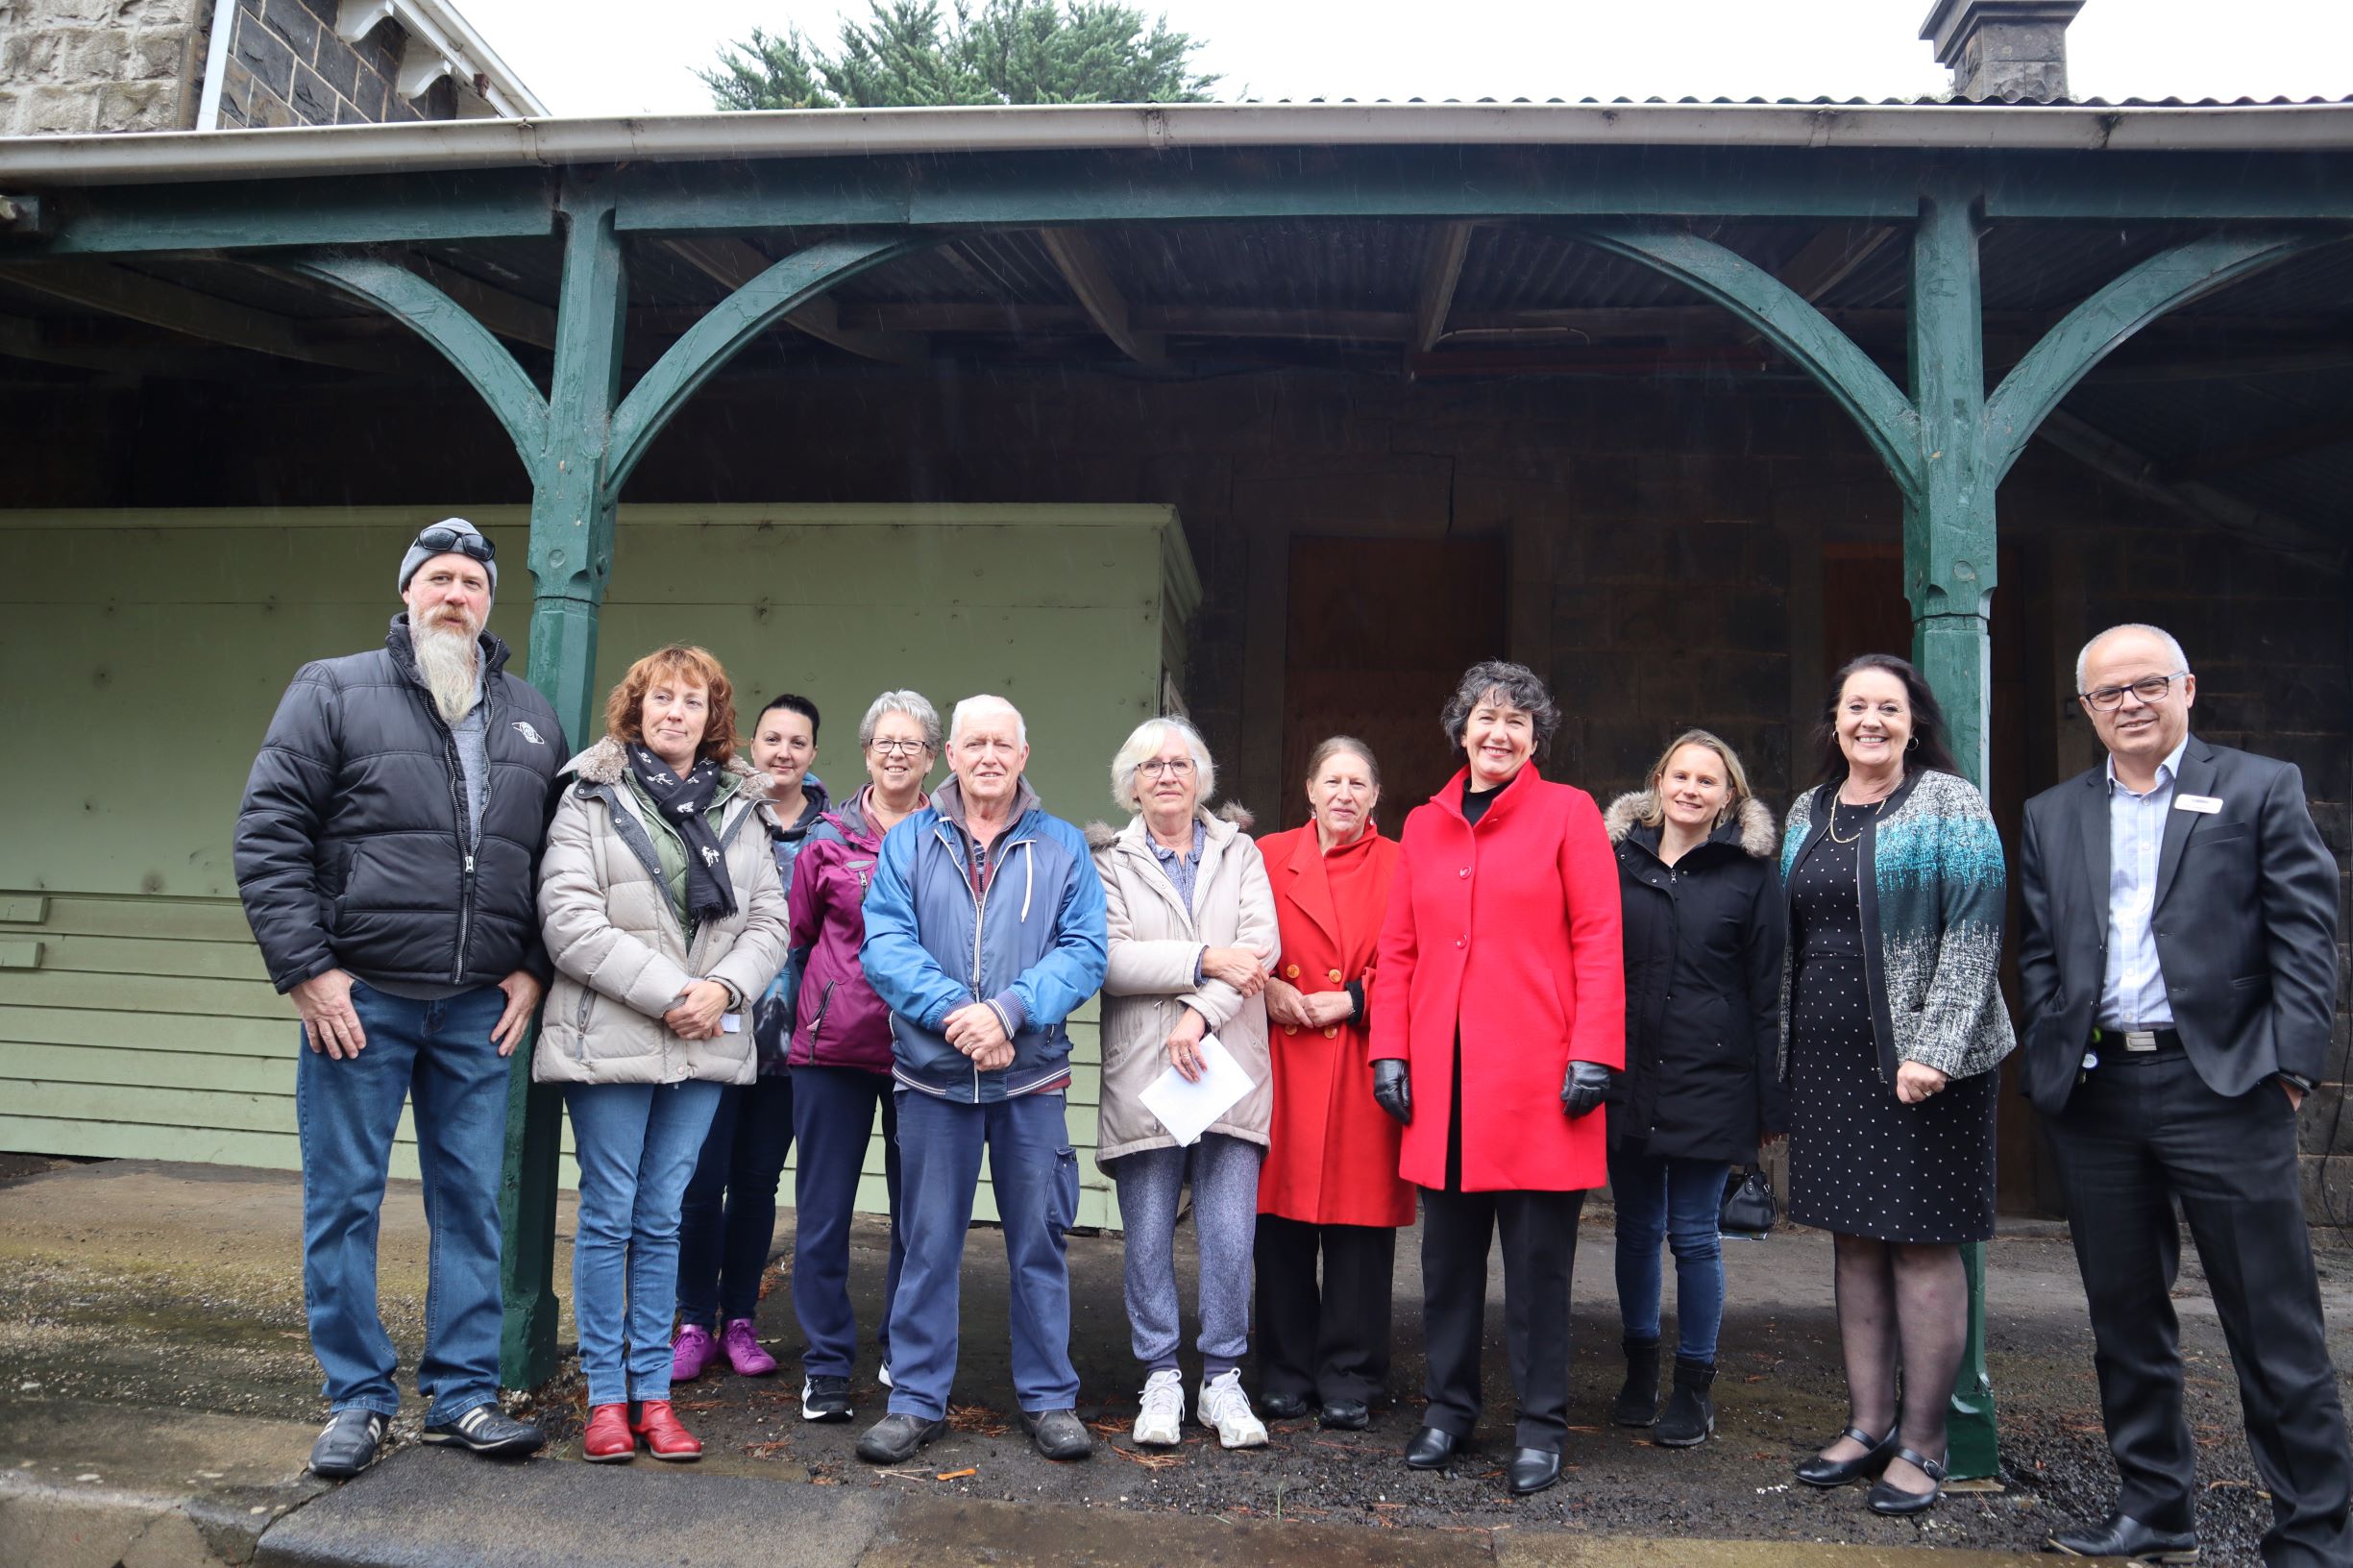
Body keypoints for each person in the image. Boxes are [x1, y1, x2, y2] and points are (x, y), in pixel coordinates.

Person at [234, 517, 562, 1479]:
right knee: (344, 1203)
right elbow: (269, 830)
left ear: (492, 604)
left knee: (471, 1205)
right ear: (409, 592)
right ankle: (357, 1400)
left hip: (474, 1009)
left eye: (473, 582)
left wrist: (533, 966)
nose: (456, 595)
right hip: (359, 1001)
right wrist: (307, 968)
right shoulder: (333, 688)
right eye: (441, 579)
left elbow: (559, 862)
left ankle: (461, 1395)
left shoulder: (531, 716)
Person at [2019, 624, 2349, 1567]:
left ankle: (2315, 1533)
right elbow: (2041, 949)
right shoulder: (2053, 813)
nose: (2128, 703)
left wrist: (2286, 1069)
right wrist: (2051, 1057)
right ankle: (2154, 1507)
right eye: (2106, 693)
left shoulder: (2258, 788)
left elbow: (2304, 936)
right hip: (2097, 1095)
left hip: (2223, 1086)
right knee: (2123, 1315)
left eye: (2146, 684)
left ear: (2186, 688)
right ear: (2085, 709)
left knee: (2271, 1321)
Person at [1370, 659, 1625, 1498]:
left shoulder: (1569, 813)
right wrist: (1389, 1050)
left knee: (1537, 1271)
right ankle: (1448, 1411)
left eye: (1517, 720)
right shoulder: (1423, 823)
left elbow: (1597, 936)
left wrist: (1594, 1048)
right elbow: (1399, 950)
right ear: (1461, 729)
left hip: (1538, 1084)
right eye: (1485, 716)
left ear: (1534, 737)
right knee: (1445, 1266)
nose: (1499, 732)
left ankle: (1541, 1427)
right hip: (1441, 1088)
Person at [533, 646, 790, 1464]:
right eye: (660, 698)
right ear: (635, 708)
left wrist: (721, 993)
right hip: (610, 1036)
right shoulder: (589, 795)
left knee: (664, 1217)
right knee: (609, 1218)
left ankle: (654, 1396)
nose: (674, 712)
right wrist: (675, 993)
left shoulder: (744, 806)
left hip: (704, 1043)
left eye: (691, 700)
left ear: (712, 716)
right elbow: (569, 918)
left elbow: (769, 924)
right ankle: (606, 1400)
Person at [1779, 652, 2014, 1517]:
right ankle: (1867, 1424)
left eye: (1887, 706)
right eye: (1854, 707)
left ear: (1915, 720)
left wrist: (1938, 1049)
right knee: (1851, 1239)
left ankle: (1924, 1441)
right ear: (1833, 721)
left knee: (1920, 1244)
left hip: (1922, 1066)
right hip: (1830, 1064)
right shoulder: (1809, 809)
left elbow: (1974, 926)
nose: (1869, 721)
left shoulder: (1949, 802)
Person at [851, 696, 1109, 1467]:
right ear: (951, 756)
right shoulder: (909, 843)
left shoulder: (1063, 847)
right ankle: (916, 1401)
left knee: (1039, 1242)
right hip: (932, 1079)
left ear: (1023, 756)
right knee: (927, 1243)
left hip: (1029, 1079)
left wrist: (1007, 1013)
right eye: (974, 743)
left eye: (1003, 743)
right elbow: (885, 944)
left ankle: (1049, 1398)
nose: (988, 755)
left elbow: (1084, 949)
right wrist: (959, 1016)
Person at [1089, 717, 1278, 1450]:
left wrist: (1197, 1016)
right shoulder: (1108, 859)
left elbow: (1260, 950)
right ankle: (1161, 1377)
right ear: (1130, 784)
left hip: (1226, 1071)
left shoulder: (1242, 852)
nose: (1166, 775)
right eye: (1150, 766)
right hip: (1145, 1072)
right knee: (1145, 1238)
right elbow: (1108, 959)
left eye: (1179, 763)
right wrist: (1204, 958)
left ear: (1201, 777)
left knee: (1229, 1236)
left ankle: (1222, 1381)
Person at [1601, 729, 1784, 1448]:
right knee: (1635, 1228)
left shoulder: (1749, 873)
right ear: (1656, 780)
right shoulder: (1614, 860)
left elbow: (1767, 989)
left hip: (1713, 1078)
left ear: (1728, 796)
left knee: (1693, 1236)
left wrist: (1770, 1098)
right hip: (1626, 1071)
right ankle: (1638, 1372)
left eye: (1707, 781)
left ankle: (1693, 1385)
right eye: (1679, 774)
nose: (1690, 789)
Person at [782, 690, 938, 1422]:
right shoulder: (826, 837)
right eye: (886, 741)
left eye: (912, 742)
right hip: (832, 1048)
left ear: (931, 758)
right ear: (866, 750)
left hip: (924, 1053)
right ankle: (826, 1364)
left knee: (919, 1218)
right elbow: (799, 931)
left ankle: (902, 1353)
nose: (898, 752)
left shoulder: (951, 836)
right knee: (822, 1216)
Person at [1254, 736, 1411, 1433]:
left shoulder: (1403, 864)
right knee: (1279, 1222)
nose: (1343, 794)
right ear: (1309, 789)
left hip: (1362, 1059)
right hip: (1281, 1059)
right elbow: (1232, 937)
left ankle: (1350, 1372)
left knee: (1358, 1227)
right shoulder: (1262, 856)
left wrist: (1355, 998)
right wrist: (1263, 991)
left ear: (1375, 796)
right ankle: (1284, 1370)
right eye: (1331, 780)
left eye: (1358, 782)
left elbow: (1419, 955)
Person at [671, 695, 826, 1385]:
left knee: (758, 1185)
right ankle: (690, 1322)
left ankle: (739, 1320)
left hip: (795, 1043)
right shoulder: (719, 811)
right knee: (701, 1186)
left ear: (813, 753)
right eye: (772, 739)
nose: (782, 752)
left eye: (797, 742)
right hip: (717, 1027)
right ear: (751, 744)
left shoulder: (836, 829)